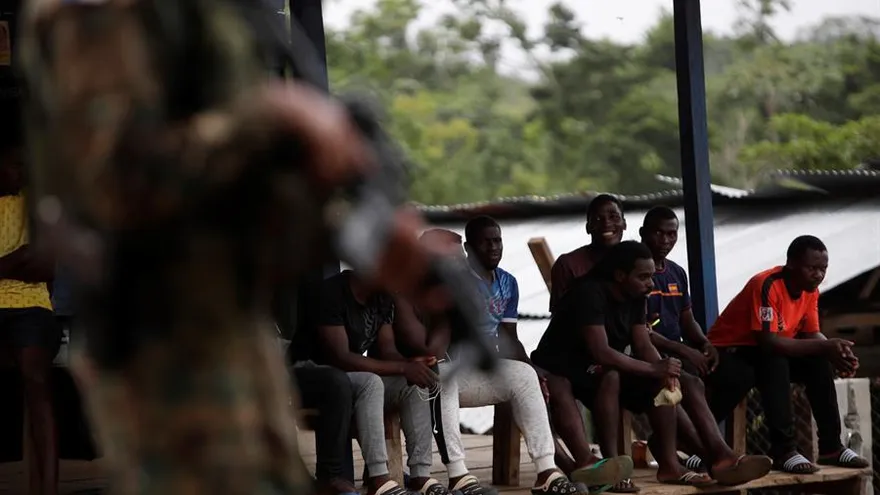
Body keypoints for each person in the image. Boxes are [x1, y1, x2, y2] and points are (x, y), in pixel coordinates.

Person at [392, 221, 633, 495]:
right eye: (452, 262)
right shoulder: (407, 295)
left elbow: (503, 340)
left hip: (464, 376)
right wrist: (446, 313)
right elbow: (430, 356)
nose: (460, 270)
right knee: (442, 377)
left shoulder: (466, 293)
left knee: (524, 375)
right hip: (418, 384)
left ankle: (547, 470)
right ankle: (458, 474)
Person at [532, 241, 773, 488]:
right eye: (643, 276)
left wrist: (664, 369)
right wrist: (654, 368)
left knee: (687, 381)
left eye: (652, 276)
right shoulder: (589, 293)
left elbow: (642, 343)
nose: (650, 283)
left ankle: (709, 457)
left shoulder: (636, 295)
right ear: (619, 275)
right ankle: (611, 466)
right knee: (617, 375)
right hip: (563, 368)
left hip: (598, 369)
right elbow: (601, 351)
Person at [706, 236, 869, 474]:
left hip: (765, 351)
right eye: (812, 268)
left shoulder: (809, 291)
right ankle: (784, 451)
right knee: (775, 359)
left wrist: (837, 352)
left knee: (818, 362)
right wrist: (827, 346)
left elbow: (812, 334)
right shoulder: (767, 284)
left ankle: (832, 447)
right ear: (791, 263)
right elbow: (768, 341)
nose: (818, 275)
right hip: (731, 351)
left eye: (823, 269)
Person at [315, 268, 452, 495]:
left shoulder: (383, 296)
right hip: (323, 380)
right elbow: (341, 358)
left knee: (412, 384)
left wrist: (412, 364)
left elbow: (388, 349)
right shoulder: (331, 293)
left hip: (356, 380)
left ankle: (420, 474)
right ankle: (379, 478)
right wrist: (403, 367)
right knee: (372, 382)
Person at [0, 135, 61, 495]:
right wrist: (15, 259)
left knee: (35, 374)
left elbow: (45, 268)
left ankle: (48, 489)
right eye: (15, 165)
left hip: (31, 306)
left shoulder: (34, 205)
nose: (23, 173)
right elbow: (26, 259)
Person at [638, 206, 719, 474]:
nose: (665, 241)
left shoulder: (676, 272)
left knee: (722, 372)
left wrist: (705, 344)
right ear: (643, 233)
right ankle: (708, 453)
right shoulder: (635, 274)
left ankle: (679, 447)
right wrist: (685, 349)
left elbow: (687, 319)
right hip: (647, 352)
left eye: (671, 234)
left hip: (676, 349)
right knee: (687, 378)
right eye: (658, 233)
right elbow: (643, 332)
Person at [549, 194, 625, 313]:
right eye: (598, 219)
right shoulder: (568, 264)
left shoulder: (634, 263)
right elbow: (559, 319)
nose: (606, 223)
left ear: (624, 224)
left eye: (614, 217)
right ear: (588, 227)